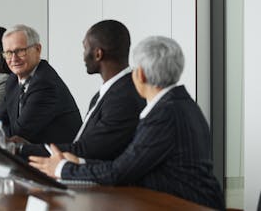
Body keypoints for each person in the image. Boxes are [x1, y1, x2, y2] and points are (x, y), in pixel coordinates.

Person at [29, 36, 224, 210]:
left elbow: (121, 172)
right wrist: (80, 162)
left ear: (140, 74)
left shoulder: (165, 113)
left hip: (187, 204)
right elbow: (131, 164)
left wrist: (62, 168)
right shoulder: (179, 103)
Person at [17, 20, 145, 160]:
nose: (83, 55)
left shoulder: (123, 98)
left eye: (85, 48)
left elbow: (87, 150)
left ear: (98, 54)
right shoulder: (109, 92)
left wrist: (23, 149)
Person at [0, 24, 81, 142]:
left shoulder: (45, 83)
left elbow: (18, 133)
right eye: (8, 53)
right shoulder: (13, 80)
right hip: (28, 153)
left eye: (20, 51)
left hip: (57, 156)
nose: (13, 58)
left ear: (38, 49)